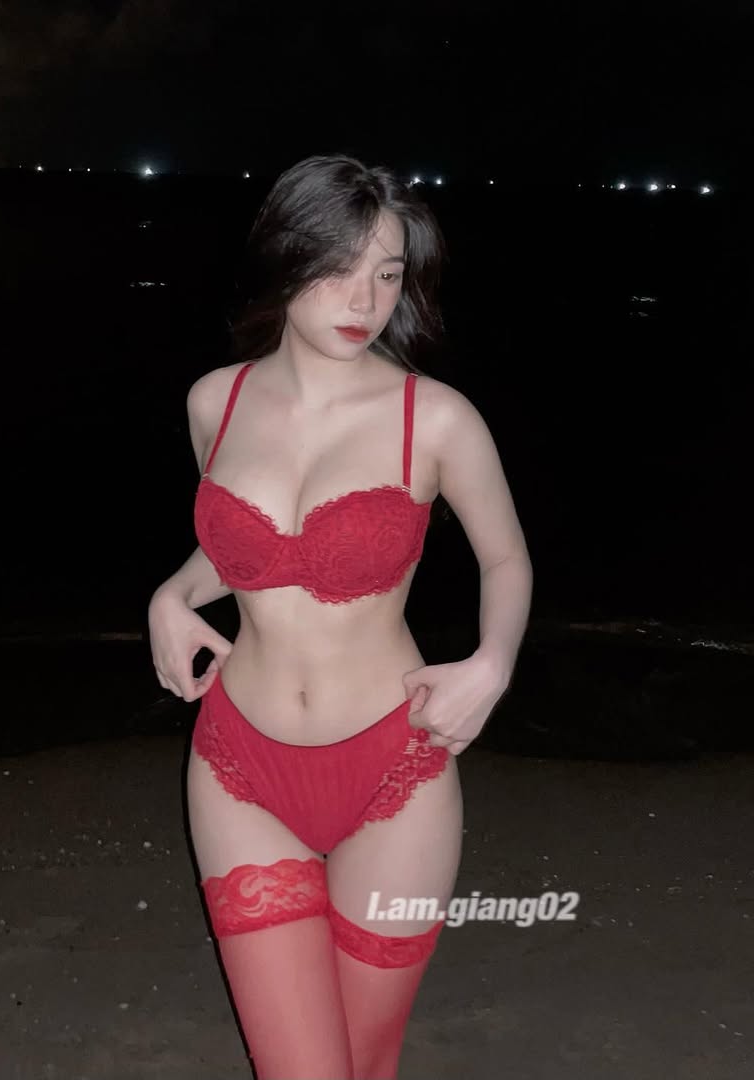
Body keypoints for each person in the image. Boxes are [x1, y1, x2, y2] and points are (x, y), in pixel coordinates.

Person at [147, 154, 532, 1080]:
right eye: (337, 269)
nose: (365, 300)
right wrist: (171, 595)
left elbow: (505, 558)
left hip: (395, 766)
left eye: (388, 274)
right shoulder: (214, 401)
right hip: (239, 766)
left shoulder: (434, 419)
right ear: (286, 260)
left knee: (366, 1060)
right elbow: (244, 549)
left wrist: (492, 663)